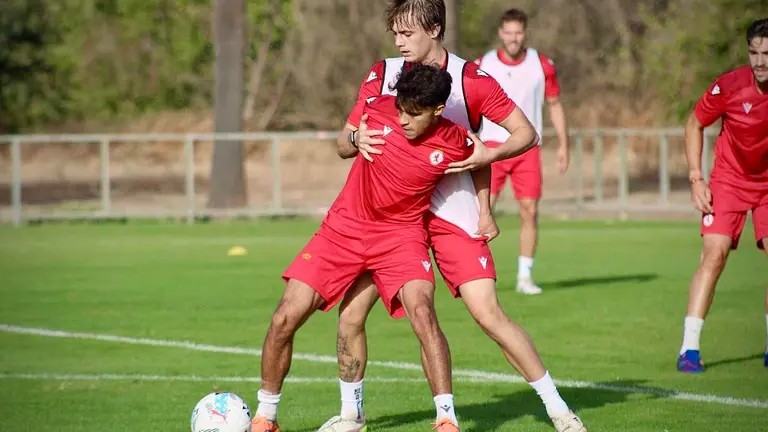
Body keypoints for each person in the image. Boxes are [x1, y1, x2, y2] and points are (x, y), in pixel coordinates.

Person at [318, 1, 587, 432]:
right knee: (351, 314)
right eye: (395, 33)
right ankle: (353, 416)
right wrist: (354, 139)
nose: (399, 42)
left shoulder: (470, 80)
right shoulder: (383, 74)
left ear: (435, 29)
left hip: (451, 212)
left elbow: (526, 133)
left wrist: (489, 157)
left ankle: (558, 410)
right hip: (391, 218)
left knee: (489, 314)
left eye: (407, 33)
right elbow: (344, 141)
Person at [251, 64, 496, 432]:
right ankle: (265, 417)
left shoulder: (453, 138)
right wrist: (353, 139)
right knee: (285, 316)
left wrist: (485, 211)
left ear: (438, 110)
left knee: (423, 312)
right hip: (344, 229)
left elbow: (481, 161)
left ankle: (446, 419)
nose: (404, 119)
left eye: (414, 114)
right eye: (401, 109)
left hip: (401, 237)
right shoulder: (376, 108)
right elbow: (341, 145)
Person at [676, 18, 768, 374]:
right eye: (754, 53)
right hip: (729, 180)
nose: (760, 62)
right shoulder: (729, 86)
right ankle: (689, 349)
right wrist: (696, 178)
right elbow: (694, 123)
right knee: (714, 255)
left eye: (767, 54)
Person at [475, 8, 570, 295]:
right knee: (482, 211)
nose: (513, 38)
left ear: (525, 33)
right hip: (492, 148)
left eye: (518, 33)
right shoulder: (483, 64)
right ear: (500, 33)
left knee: (530, 211)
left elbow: (554, 104)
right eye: (508, 33)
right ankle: (475, 273)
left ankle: (524, 276)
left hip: (527, 148)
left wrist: (563, 143)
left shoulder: (542, 65)